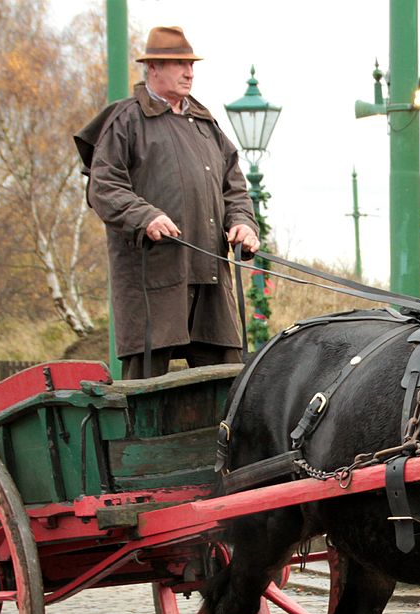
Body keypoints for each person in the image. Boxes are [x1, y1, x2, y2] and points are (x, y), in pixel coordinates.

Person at [76, 26, 260, 379]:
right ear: (153, 69)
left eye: (190, 64)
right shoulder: (126, 119)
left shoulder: (206, 125)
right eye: (178, 63)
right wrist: (145, 217)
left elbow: (234, 189)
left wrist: (242, 224)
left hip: (209, 279)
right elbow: (104, 186)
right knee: (143, 393)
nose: (189, 72)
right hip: (153, 279)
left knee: (230, 385)